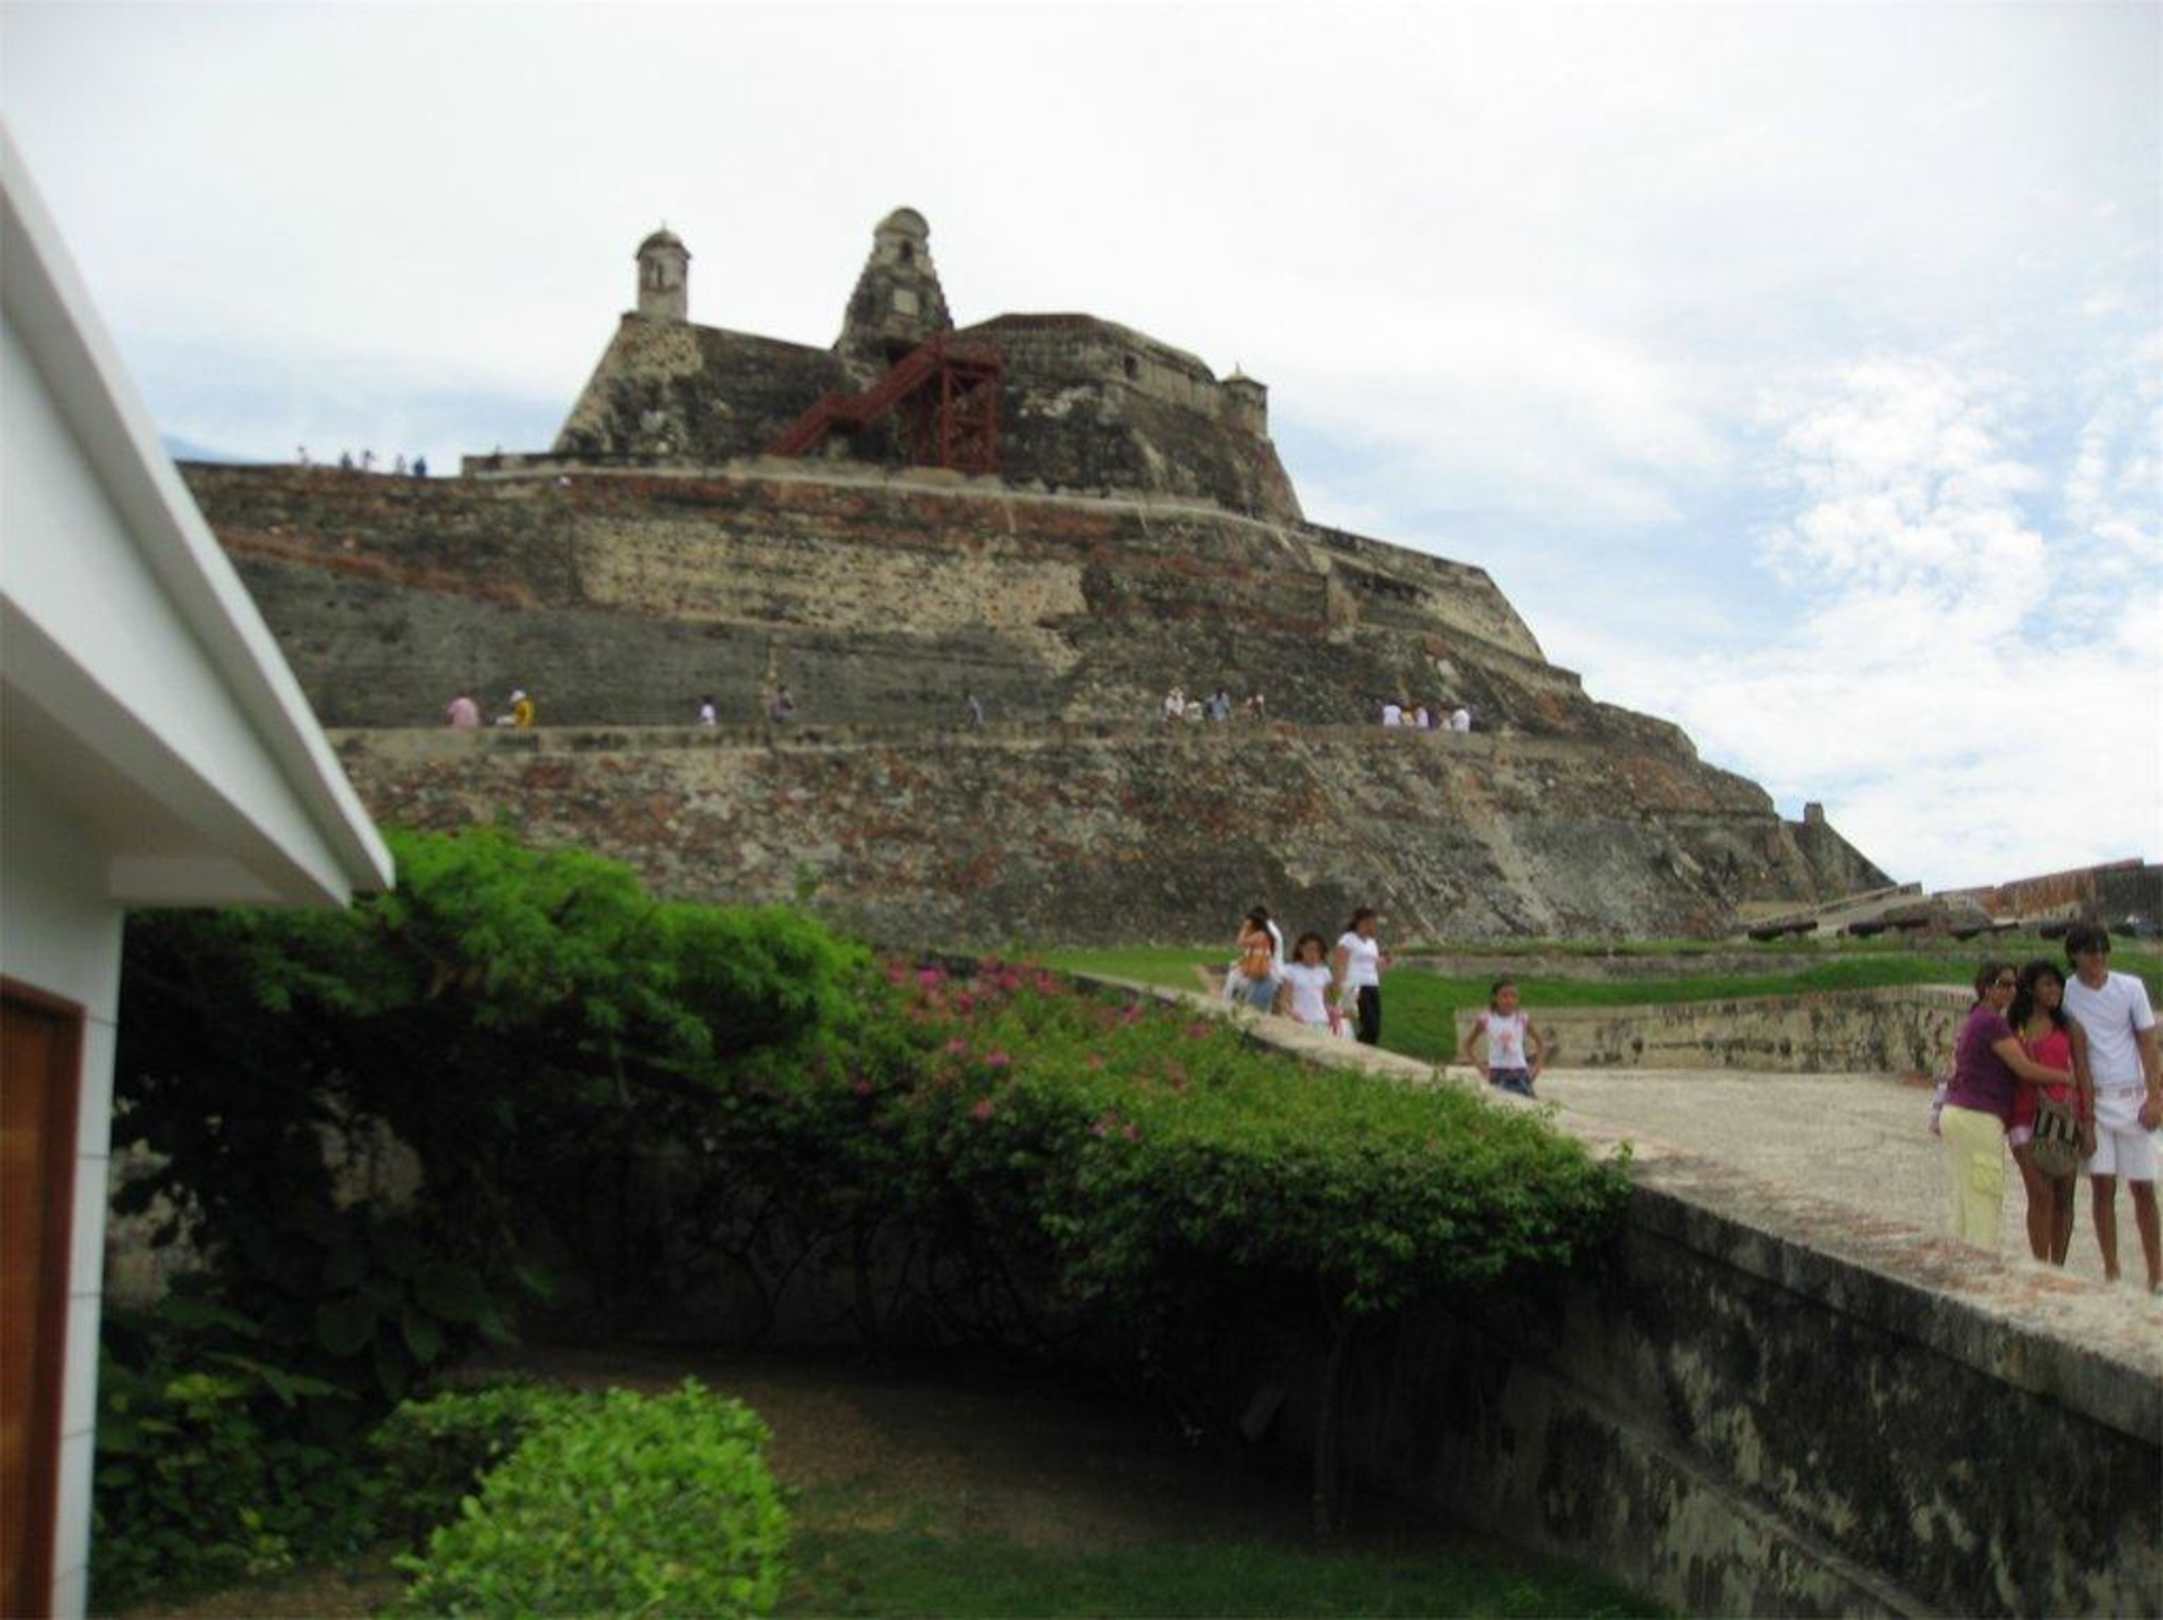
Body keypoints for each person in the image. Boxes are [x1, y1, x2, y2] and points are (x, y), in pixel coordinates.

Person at [1939, 961, 2074, 1252]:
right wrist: (2066, 1077)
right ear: (1987, 988)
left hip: (1961, 1114)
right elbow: (2024, 1068)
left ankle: (1959, 1258)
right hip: (1977, 1117)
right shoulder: (1992, 1023)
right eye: (2004, 984)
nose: (2011, 990)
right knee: (1984, 1195)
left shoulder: (1977, 1018)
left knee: (1964, 1197)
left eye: (2014, 985)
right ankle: (1979, 1259)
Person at [2061, 923, 2162, 1291]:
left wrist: (2156, 1097)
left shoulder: (2130, 988)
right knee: (2102, 1187)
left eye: (2103, 950)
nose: (2099, 957)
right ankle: (2112, 1270)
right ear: (2075, 955)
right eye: (2091, 951)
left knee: (2143, 1188)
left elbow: (2149, 1044)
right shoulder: (2067, 994)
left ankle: (2156, 1273)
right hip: (2096, 1099)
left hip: (2132, 1096)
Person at [2007, 959, 2093, 1266]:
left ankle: (2058, 1266)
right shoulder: (2013, 1028)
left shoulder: (2069, 1028)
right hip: (2023, 1117)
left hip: (2062, 1117)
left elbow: (2083, 1075)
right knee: (2039, 1193)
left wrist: (2088, 1123)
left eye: (2058, 984)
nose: (2055, 990)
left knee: (2064, 1196)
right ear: (2031, 989)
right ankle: (2039, 1264)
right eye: (2047, 984)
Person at [1462, 977, 1545, 1098]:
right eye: (1504, 996)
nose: (1509, 1000)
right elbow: (1468, 1045)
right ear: (1495, 998)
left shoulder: (1522, 1018)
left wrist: (1537, 1068)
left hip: (1520, 1071)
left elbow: (1540, 1042)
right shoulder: (1486, 1019)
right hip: (1497, 1072)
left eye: (1513, 996)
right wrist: (1481, 1068)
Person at [1332, 907, 1385, 1045]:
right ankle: (1357, 1049)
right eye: (1368, 923)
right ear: (1359, 922)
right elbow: (1339, 964)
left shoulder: (1372, 943)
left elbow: (1375, 966)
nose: (1371, 927)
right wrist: (1339, 987)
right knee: (1370, 1026)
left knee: (1376, 1026)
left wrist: (1383, 966)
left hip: (1372, 985)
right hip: (1356, 986)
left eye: (1373, 923)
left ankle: (1364, 1049)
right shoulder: (1348, 939)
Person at [1281, 932, 1341, 1033]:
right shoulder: (1290, 970)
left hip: (1321, 1021)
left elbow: (1326, 1000)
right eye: (1309, 949)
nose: (1313, 954)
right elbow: (1285, 1001)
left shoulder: (1324, 972)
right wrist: (1293, 1014)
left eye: (1317, 950)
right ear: (1301, 949)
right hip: (1299, 1021)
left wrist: (1333, 1012)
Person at [1231, 908, 1280, 1014]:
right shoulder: (1264, 935)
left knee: (1253, 1009)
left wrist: (1244, 928)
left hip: (1260, 976)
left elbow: (1240, 942)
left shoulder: (1260, 935)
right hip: (1259, 975)